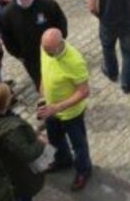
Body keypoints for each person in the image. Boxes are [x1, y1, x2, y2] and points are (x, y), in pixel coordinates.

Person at [39, 28, 92, 191]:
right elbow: (44, 69)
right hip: (51, 109)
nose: (45, 53)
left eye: (49, 51)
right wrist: (43, 93)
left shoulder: (74, 61)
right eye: (44, 49)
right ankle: (63, 160)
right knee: (54, 139)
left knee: (79, 145)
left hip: (70, 113)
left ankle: (84, 170)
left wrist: (58, 107)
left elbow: (84, 91)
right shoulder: (45, 49)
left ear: (59, 45)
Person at [0, 0, 66, 88]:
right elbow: (7, 39)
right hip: (31, 59)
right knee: (42, 85)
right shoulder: (7, 14)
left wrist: (58, 43)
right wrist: (20, 55)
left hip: (53, 53)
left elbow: (61, 24)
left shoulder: (47, 4)